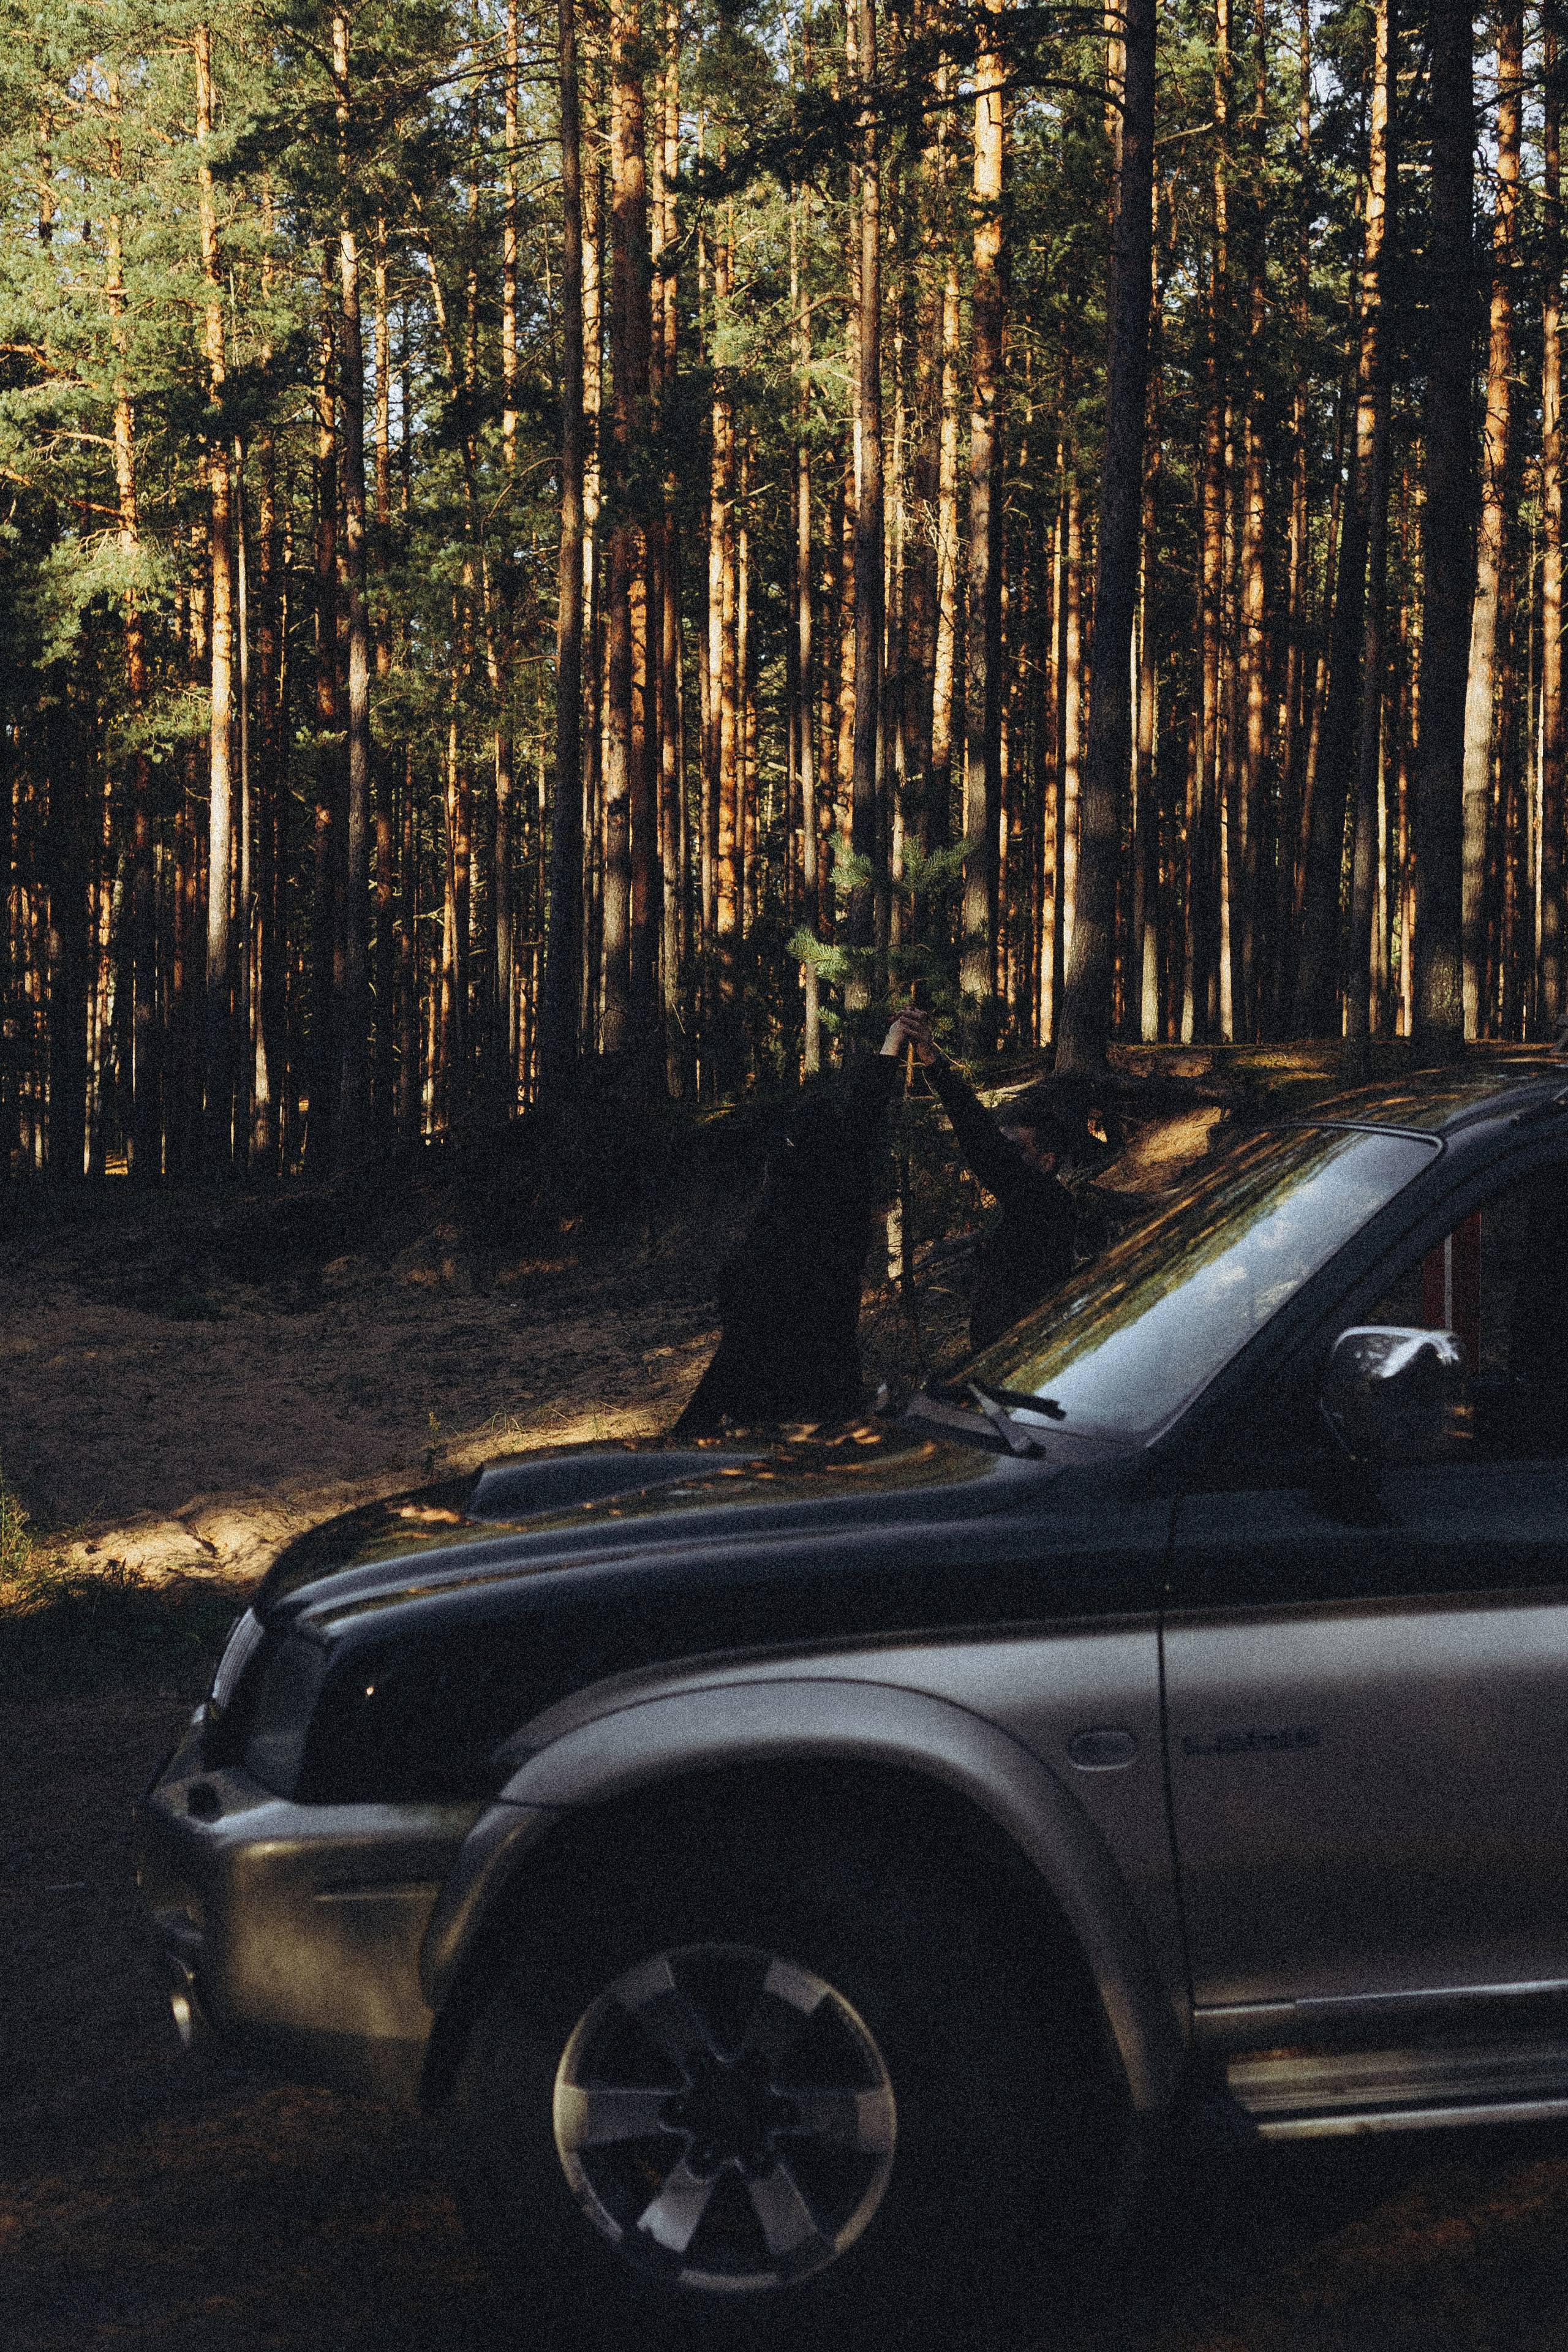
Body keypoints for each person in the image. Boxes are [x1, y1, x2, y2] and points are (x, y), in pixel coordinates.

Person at [669, 1011, 926, 1436]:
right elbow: (864, 1115)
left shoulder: (779, 1235)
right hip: (831, 1400)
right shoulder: (842, 1195)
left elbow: (734, 1355)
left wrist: (685, 1434)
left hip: (776, 1415)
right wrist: (891, 1046)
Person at [902, 1011, 1083, 1354]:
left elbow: (982, 1143)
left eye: (1014, 1149)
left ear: (1047, 1162)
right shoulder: (1035, 1206)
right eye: (1004, 1145)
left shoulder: (1045, 1206)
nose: (1003, 1155)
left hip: (1027, 1369)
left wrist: (934, 1062)